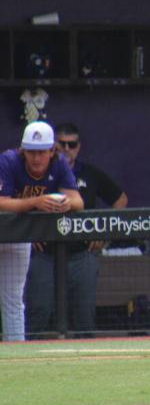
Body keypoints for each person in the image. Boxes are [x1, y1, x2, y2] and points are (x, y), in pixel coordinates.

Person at [24, 122, 127, 338]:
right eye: (63, 144)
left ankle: (86, 360)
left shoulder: (89, 173)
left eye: (72, 144)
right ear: (54, 147)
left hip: (81, 254)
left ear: (78, 147)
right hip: (45, 254)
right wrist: (27, 235)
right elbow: (16, 201)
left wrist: (103, 233)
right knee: (39, 312)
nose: (68, 149)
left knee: (84, 316)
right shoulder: (38, 172)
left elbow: (120, 200)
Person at [0, 121, 82, 343]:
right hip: (4, 228)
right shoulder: (8, 160)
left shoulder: (59, 164)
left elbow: (78, 201)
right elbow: (1, 202)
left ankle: (15, 351)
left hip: (17, 235)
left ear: (51, 151)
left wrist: (66, 204)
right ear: (23, 150)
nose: (36, 158)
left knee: (13, 298)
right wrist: (36, 202)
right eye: (31, 152)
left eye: (42, 152)